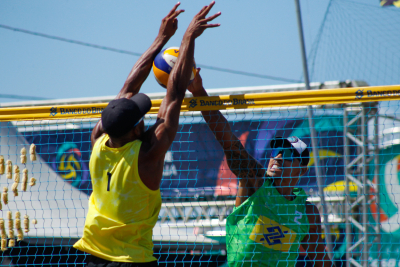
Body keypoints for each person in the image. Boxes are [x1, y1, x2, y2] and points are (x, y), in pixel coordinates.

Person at [73, 3, 220, 266]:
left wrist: (161, 38)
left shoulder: (98, 139)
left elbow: (128, 88)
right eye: (140, 118)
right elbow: (174, 94)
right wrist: (187, 38)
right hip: (132, 260)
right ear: (134, 129)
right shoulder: (147, 155)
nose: (144, 119)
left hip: (93, 255)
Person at [187, 69, 335, 267]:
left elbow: (319, 257)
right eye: (276, 152)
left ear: (302, 170)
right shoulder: (255, 182)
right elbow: (229, 140)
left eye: (289, 154)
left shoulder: (306, 211)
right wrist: (199, 92)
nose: (279, 158)